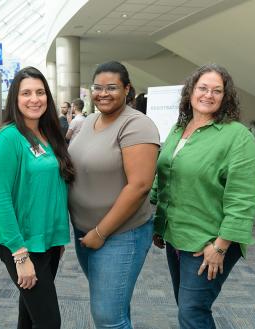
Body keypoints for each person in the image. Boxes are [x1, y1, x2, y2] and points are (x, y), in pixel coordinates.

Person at [151, 64, 255, 329]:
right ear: (190, 91)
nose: (208, 95)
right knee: (186, 307)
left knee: (193, 312)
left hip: (209, 240)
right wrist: (158, 223)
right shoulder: (180, 129)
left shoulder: (237, 136)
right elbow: (165, 177)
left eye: (217, 90)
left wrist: (220, 246)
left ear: (226, 97)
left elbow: (243, 199)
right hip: (177, 235)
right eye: (202, 88)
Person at [68, 61, 160, 329]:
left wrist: (100, 232)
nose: (103, 94)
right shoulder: (91, 121)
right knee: (116, 308)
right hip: (86, 232)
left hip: (119, 234)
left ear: (127, 89)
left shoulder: (137, 125)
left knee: (108, 318)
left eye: (112, 88)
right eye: (97, 88)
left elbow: (140, 186)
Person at [0, 66, 75, 329]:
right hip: (22, 244)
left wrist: (57, 238)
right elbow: (0, 200)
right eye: (26, 93)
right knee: (49, 322)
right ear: (15, 99)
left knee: (30, 317)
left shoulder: (48, 135)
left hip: (48, 240)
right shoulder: (7, 138)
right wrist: (19, 254)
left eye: (40, 92)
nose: (34, 99)